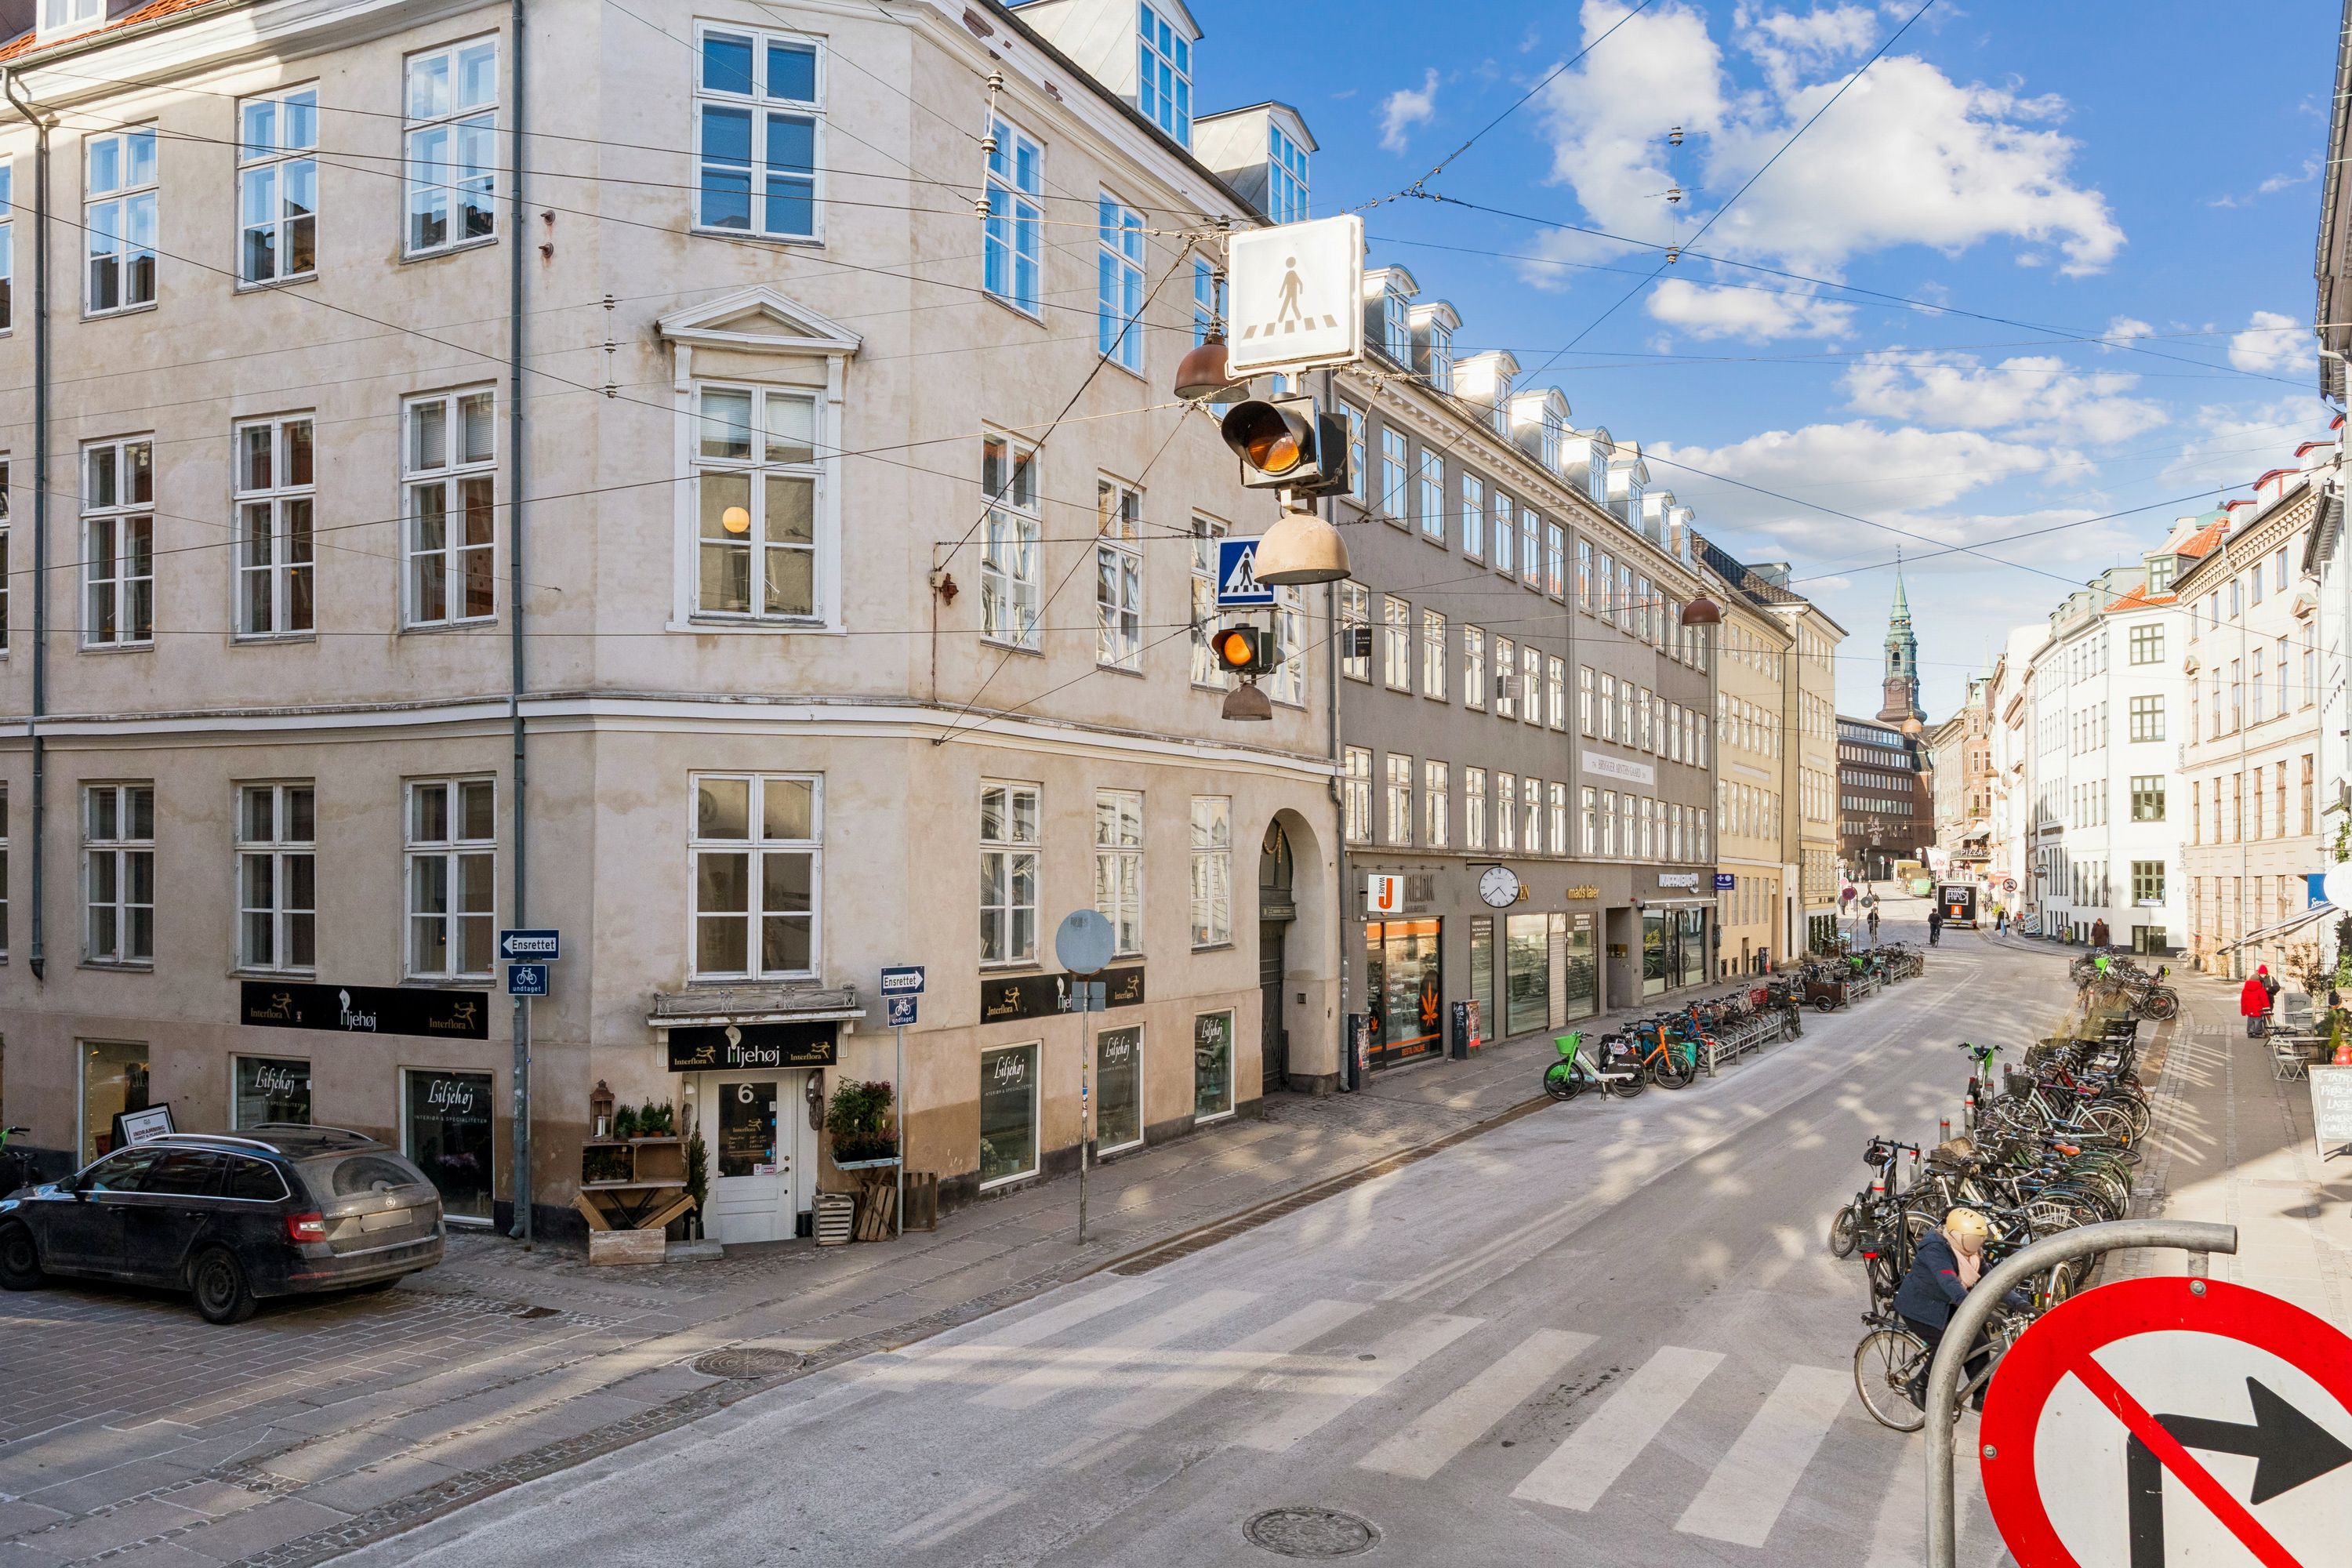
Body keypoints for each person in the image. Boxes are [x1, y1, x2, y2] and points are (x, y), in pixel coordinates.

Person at [1895, 1207, 2011, 1409]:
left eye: (1981, 1239)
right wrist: (1984, 1312)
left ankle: (1980, 1396)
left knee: (1979, 1341)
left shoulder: (1972, 1254)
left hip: (1947, 1306)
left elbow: (1995, 1282)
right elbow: (1950, 1284)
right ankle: (1918, 1384)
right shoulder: (1935, 1250)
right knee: (1949, 1345)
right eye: (1974, 1239)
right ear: (1958, 1236)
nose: (1979, 1244)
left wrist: (2022, 1304)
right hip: (1920, 1308)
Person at [2243, 967, 2275, 1038]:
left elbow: (2243, 1001)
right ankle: (2258, 1032)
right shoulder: (2261, 990)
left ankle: (2250, 1032)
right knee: (2258, 1020)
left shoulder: (2245, 990)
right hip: (2259, 1009)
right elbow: (2265, 1001)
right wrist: (2267, 1011)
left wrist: (2243, 1011)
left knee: (2250, 1020)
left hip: (2249, 1009)